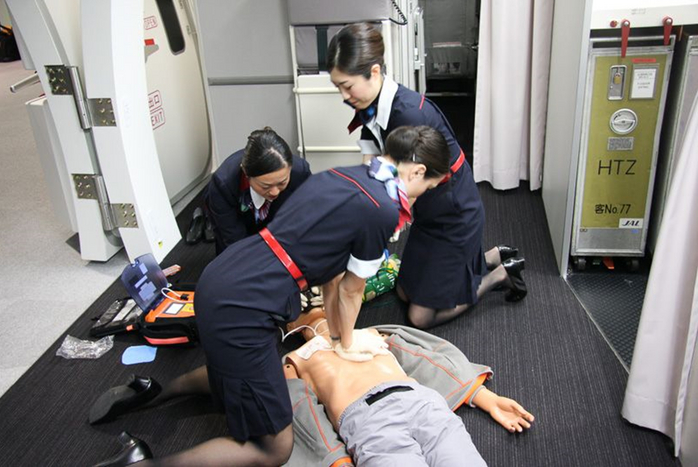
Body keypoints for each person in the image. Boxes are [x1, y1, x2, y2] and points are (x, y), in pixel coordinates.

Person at [90, 126, 452, 466]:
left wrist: (338, 337)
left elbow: (332, 278)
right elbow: (350, 289)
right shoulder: (382, 208)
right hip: (245, 303)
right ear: (418, 172)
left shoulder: (343, 175)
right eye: (430, 186)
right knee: (273, 448)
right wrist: (347, 344)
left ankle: (149, 392)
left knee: (231, 374)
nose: (425, 194)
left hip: (223, 276)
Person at [327, 23, 527, 329]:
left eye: (347, 86)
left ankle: (500, 275)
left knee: (419, 316)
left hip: (453, 213)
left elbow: (405, 188)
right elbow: (373, 160)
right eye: (338, 87)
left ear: (374, 72)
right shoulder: (373, 104)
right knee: (404, 291)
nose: (343, 96)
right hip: (429, 211)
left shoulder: (408, 114)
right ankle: (489, 257)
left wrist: (370, 229)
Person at [282, 308, 534, 466]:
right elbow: (302, 409)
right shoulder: (295, 360)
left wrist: (485, 397)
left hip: (420, 403)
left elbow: (420, 359)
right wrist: (335, 458)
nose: (320, 317)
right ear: (294, 328)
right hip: (371, 421)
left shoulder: (370, 334)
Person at [204, 127, 312, 254]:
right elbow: (234, 240)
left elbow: (304, 219)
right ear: (246, 173)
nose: (275, 192)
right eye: (266, 186)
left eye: (282, 183)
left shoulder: (300, 172)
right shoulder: (223, 184)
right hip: (240, 233)